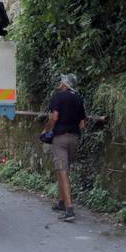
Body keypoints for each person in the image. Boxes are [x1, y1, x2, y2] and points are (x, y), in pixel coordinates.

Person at [42, 73, 86, 222]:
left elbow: (54, 117)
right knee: (64, 172)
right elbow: (82, 124)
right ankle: (61, 202)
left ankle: (69, 209)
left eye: (62, 81)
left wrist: (46, 130)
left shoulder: (59, 96)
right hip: (74, 139)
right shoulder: (79, 98)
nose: (60, 83)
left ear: (66, 84)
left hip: (60, 139)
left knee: (62, 172)